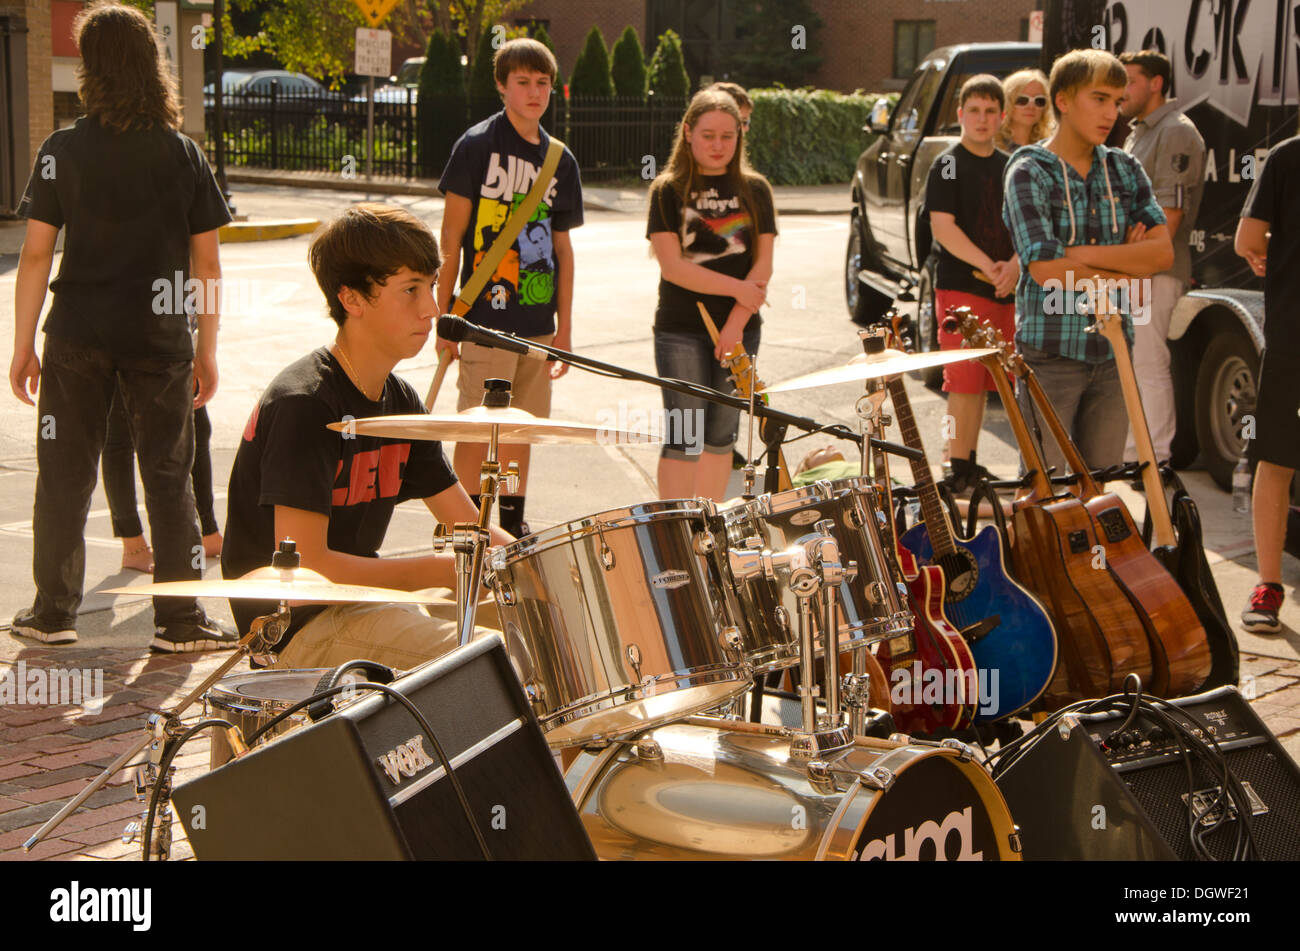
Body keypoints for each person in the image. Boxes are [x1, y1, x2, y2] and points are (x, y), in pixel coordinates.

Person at [8, 1, 233, 651]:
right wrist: (207, 347)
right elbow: (207, 263)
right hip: (160, 336)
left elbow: (33, 254)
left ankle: (53, 613)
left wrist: (23, 345)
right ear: (151, 65)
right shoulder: (181, 154)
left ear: (91, 68)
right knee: (169, 472)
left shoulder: (61, 151)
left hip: (76, 331)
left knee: (64, 472)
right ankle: (180, 621)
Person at [222, 204, 513, 671]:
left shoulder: (400, 401)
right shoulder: (307, 404)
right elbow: (307, 570)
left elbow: (468, 526)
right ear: (352, 299)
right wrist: (440, 571)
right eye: (410, 290)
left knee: (542, 624)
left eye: (432, 286)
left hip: (363, 606)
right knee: (497, 655)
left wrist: (544, 566)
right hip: (295, 629)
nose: (431, 309)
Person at [435, 38, 583, 540]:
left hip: (537, 325)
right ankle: (468, 526)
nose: (534, 91)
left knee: (521, 431)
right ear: (501, 86)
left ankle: (512, 525)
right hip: (482, 319)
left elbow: (563, 251)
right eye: (523, 82)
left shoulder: (561, 161)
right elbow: (450, 239)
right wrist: (444, 319)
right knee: (478, 429)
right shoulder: (475, 146)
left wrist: (564, 328)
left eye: (542, 83)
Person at [1002, 49, 1173, 481]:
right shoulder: (1028, 169)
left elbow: (1161, 254)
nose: (1111, 113)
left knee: (1103, 490)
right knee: (1046, 493)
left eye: (1117, 101)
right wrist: (1127, 267)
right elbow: (1046, 273)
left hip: (1115, 348)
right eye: (1099, 99)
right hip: (1051, 352)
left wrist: (1077, 254)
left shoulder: (1124, 168)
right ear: (1062, 100)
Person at [647, 89, 777, 502]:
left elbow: (763, 265)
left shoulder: (756, 190)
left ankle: (709, 526)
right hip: (681, 329)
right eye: (708, 135)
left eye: (728, 135)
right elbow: (673, 267)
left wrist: (735, 326)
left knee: (722, 433)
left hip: (740, 329)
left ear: (740, 135)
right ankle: (677, 531)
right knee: (684, 434)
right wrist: (739, 289)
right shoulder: (668, 190)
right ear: (687, 133)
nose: (718, 145)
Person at [924, 74, 1019, 493]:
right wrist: (990, 266)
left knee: (989, 378)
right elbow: (943, 228)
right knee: (962, 380)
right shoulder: (947, 164)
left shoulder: (1012, 165)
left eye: (990, 111)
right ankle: (956, 465)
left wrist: (1013, 266)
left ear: (1002, 116)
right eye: (974, 111)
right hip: (963, 285)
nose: (982, 119)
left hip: (1007, 285)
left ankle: (972, 461)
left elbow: (1026, 223)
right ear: (961, 114)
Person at [1120, 49, 1205, 467]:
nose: (1122, 90)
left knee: (1149, 363)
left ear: (1156, 83)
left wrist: (1140, 252)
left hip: (1157, 270)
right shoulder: (1139, 132)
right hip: (1133, 267)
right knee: (1130, 363)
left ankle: (1155, 460)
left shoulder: (1176, 131)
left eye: (1130, 81)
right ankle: (1134, 455)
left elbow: (1168, 219)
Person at [1235, 133, 1299, 634]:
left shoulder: (1286, 156)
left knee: (1275, 458)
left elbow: (1247, 244)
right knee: (1275, 456)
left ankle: (1269, 586)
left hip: (1292, 334)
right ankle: (1269, 584)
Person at [104, 390, 223, 574]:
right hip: (119, 361)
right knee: (120, 435)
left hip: (174, 361)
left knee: (197, 425)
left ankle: (208, 531)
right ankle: (132, 545)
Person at [997, 69, 1054, 151]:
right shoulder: (991, 146)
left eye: (1039, 101)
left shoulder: (1049, 148)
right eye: (1022, 100)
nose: (1031, 106)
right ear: (1007, 102)